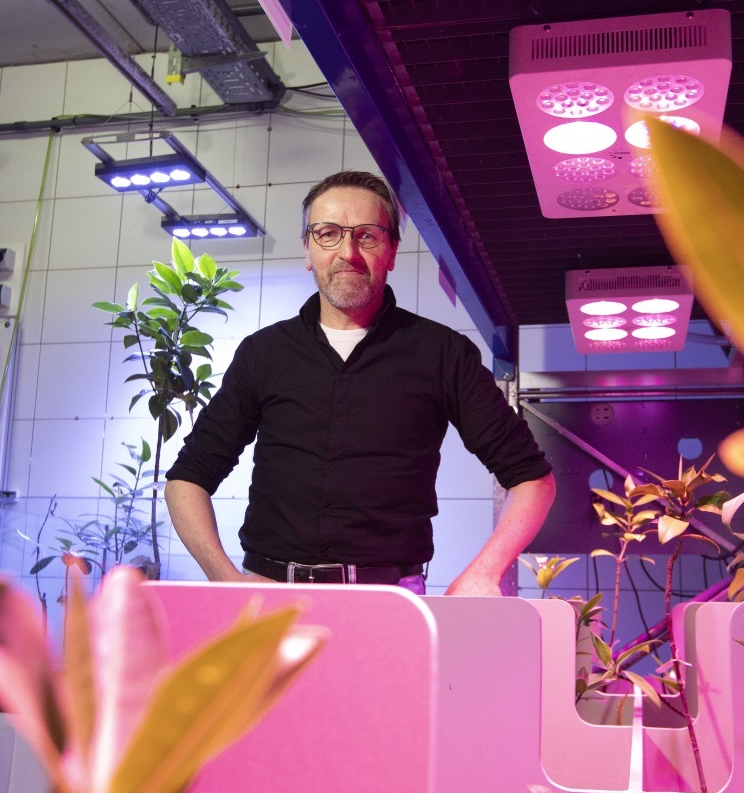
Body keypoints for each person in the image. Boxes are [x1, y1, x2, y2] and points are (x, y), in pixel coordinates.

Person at [164, 170, 555, 595]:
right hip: (270, 596)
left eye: (367, 236)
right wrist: (226, 581)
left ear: (391, 251)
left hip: (389, 600)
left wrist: (484, 571)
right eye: (328, 234)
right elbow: (189, 477)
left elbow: (532, 479)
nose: (347, 252)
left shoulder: (442, 354)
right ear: (308, 250)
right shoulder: (263, 353)